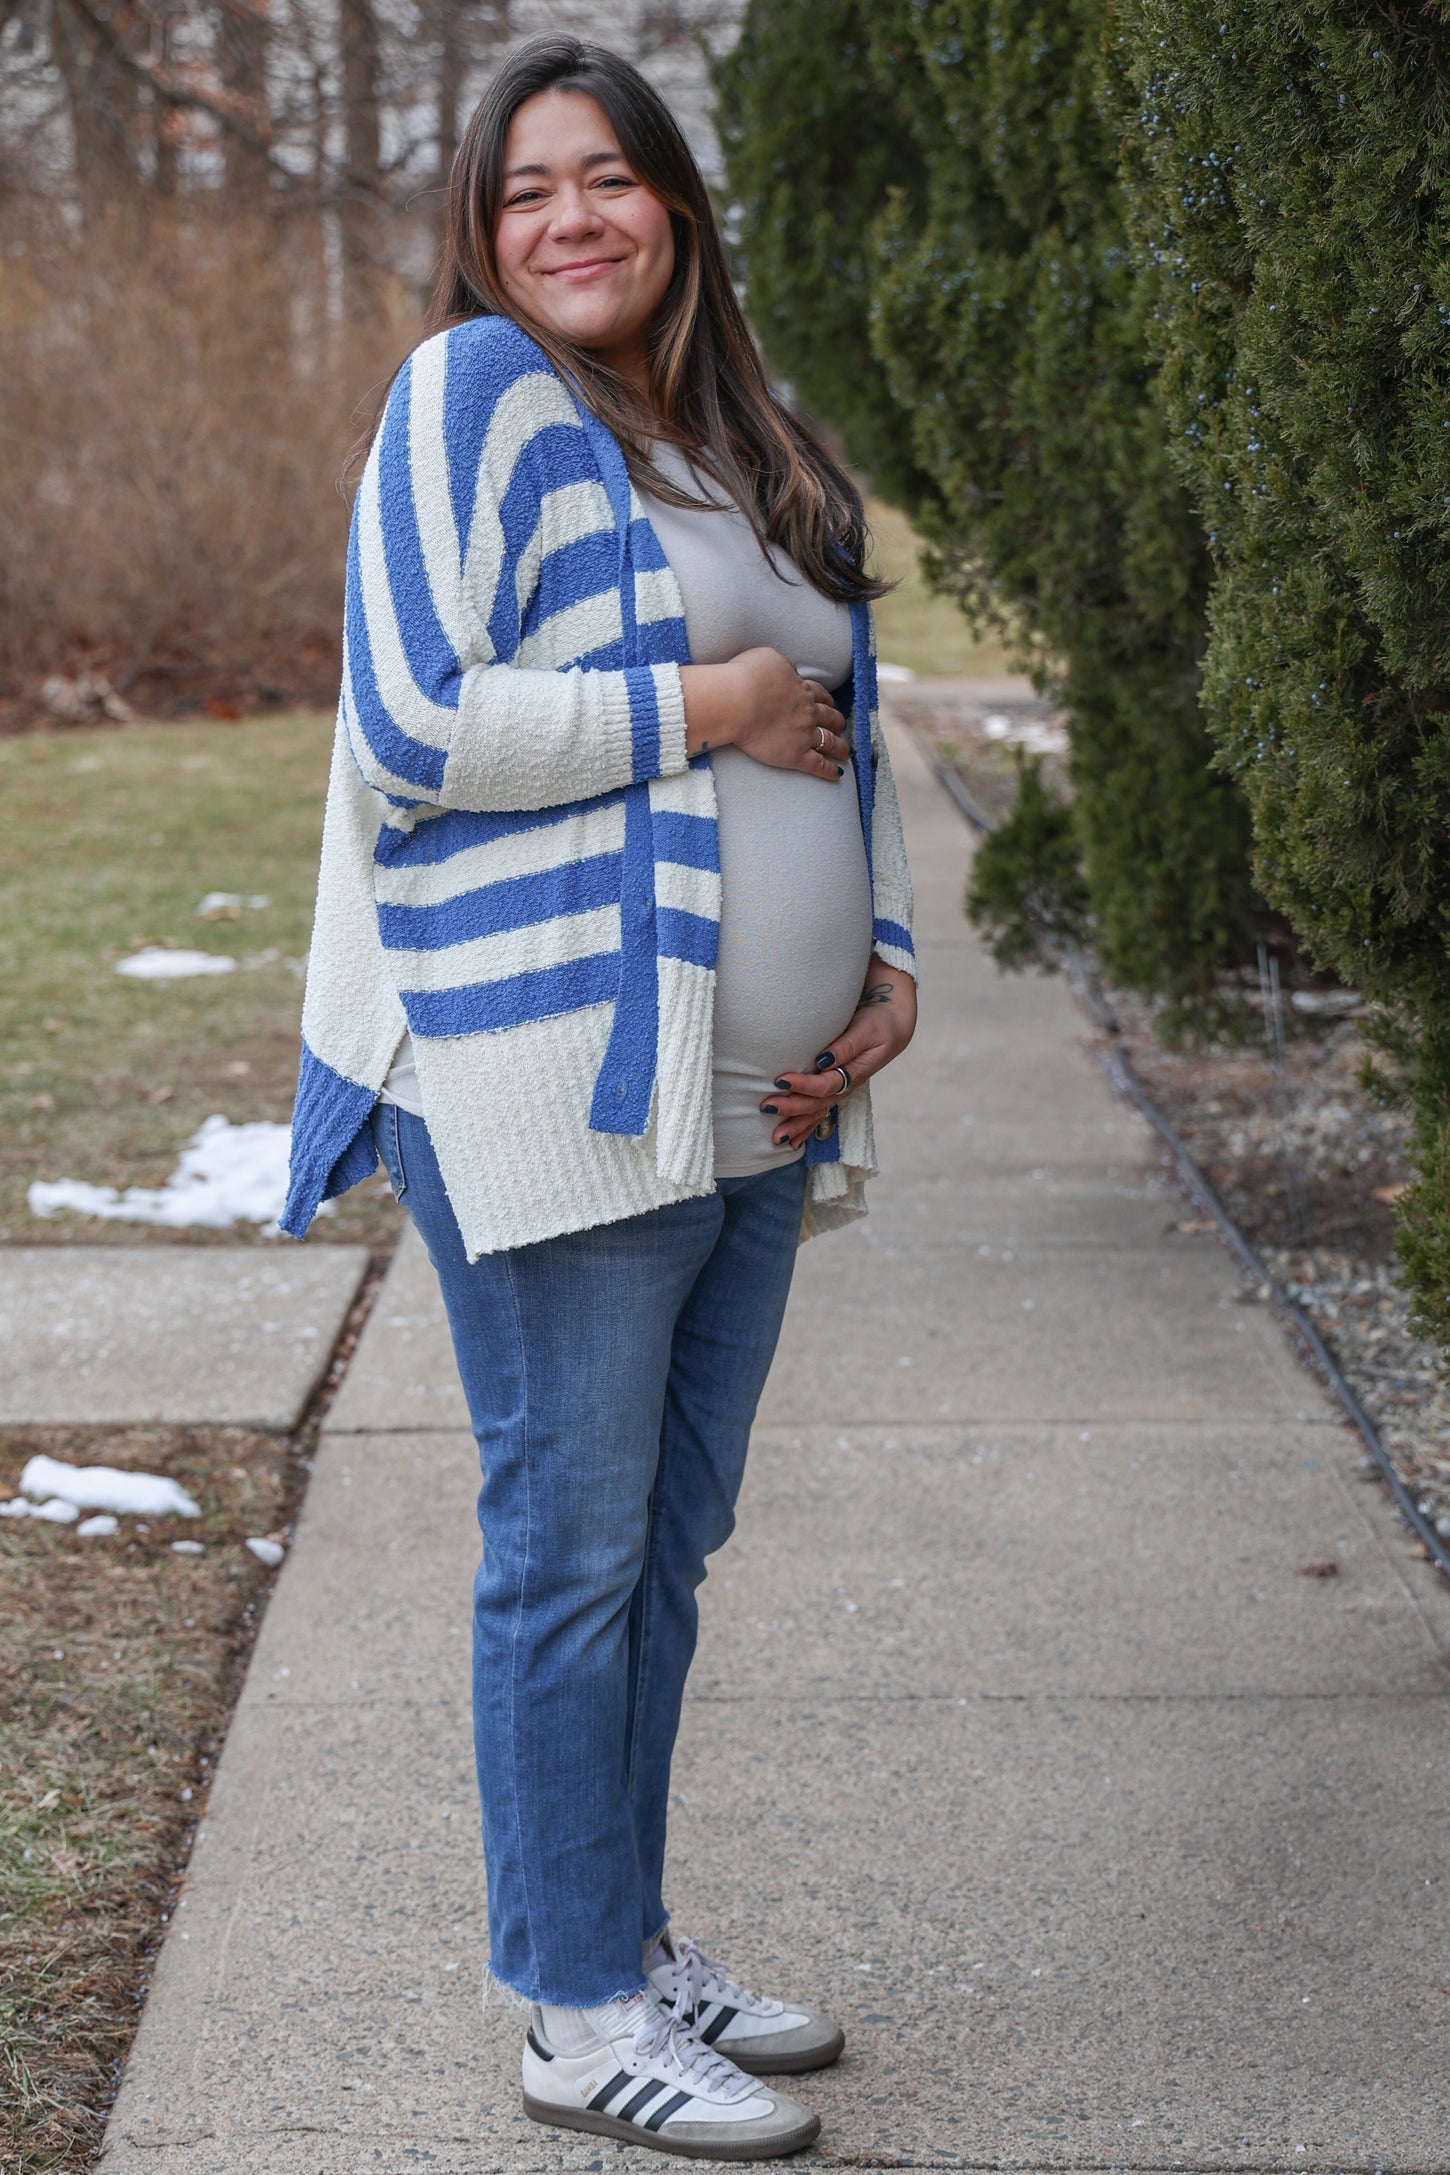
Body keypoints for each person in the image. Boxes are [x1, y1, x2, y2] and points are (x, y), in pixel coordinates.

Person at [282, 33, 916, 2161]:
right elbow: (408, 721)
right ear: (481, 226)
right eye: (529, 185)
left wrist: (889, 956)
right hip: (557, 1078)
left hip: (762, 1100)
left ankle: (621, 1938)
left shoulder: (746, 439)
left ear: (674, 205)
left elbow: (842, 705)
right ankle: (569, 2010)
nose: (573, 215)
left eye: (611, 177)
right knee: (566, 1545)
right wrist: (707, 699)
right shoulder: (475, 398)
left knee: (666, 1542)